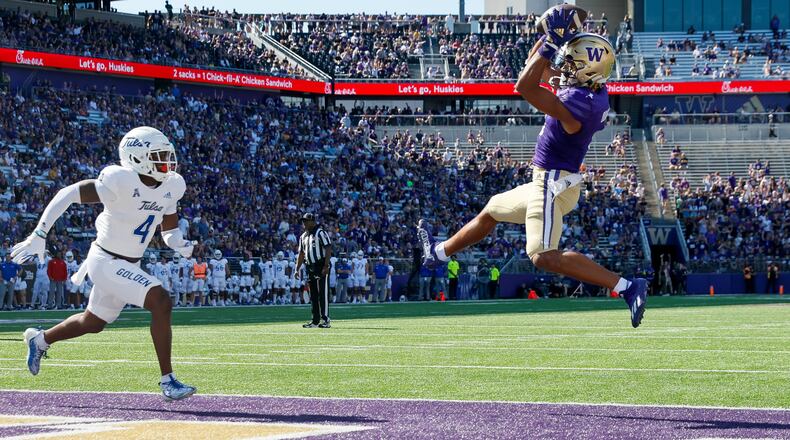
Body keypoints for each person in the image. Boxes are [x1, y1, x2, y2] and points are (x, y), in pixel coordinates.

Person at [417, 15, 647, 327]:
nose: (565, 68)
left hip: (553, 183)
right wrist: (554, 38)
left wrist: (552, 41)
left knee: (543, 257)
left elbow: (525, 85)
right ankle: (438, 254)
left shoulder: (581, 101)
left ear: (588, 69)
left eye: (572, 63)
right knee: (493, 209)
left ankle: (628, 287)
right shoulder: (588, 89)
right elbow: (535, 66)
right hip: (549, 180)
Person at [12, 126, 196, 400]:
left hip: (128, 265)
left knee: (93, 322)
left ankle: (40, 340)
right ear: (137, 158)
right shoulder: (119, 180)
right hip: (104, 260)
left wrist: (179, 243)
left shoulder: (172, 185)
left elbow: (168, 229)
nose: (166, 163)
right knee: (161, 300)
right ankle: (168, 381)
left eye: (168, 156)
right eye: (159, 156)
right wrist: (39, 233)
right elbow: (69, 193)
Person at [295, 213, 332, 328]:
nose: (304, 223)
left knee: (322, 293)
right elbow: (301, 253)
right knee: (313, 295)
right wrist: (297, 269)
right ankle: (315, 320)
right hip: (310, 266)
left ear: (313, 221)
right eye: (303, 221)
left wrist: (326, 265)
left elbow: (328, 247)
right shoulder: (303, 236)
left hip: (321, 265)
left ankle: (325, 319)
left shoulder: (320, 233)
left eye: (306, 221)